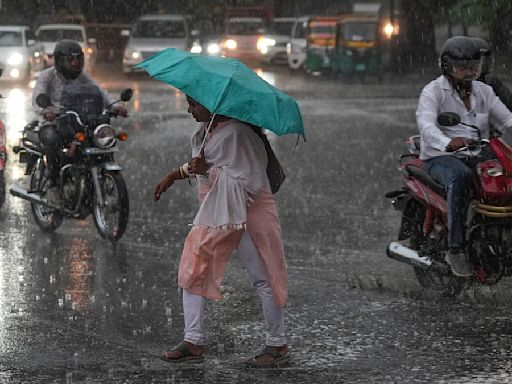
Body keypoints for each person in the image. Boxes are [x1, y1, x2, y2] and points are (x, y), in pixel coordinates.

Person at [154, 95, 289, 367]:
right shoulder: (207, 129)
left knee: (264, 277)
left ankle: (277, 345)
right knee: (193, 268)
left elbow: (248, 180)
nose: (190, 110)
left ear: (212, 104)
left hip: (250, 213)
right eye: (189, 104)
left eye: (194, 104)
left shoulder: (239, 133)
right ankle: (192, 341)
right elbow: (201, 164)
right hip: (216, 212)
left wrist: (209, 170)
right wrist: (175, 175)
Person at [416, 35, 512, 277]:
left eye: (474, 67)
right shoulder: (433, 92)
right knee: (461, 179)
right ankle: (455, 248)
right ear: (448, 66)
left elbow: (507, 119)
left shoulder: (485, 91)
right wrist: (448, 142)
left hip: (479, 151)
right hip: (441, 156)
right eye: (463, 67)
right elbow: (426, 126)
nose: (470, 72)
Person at [32, 39, 127, 198]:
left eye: (78, 58)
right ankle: (54, 183)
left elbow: (99, 92)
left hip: (75, 121)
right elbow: (37, 100)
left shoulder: (82, 76)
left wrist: (114, 106)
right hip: (53, 122)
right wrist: (45, 111)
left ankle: (95, 176)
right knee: (53, 141)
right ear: (60, 60)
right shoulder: (46, 76)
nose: (75, 63)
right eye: (71, 59)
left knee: (100, 140)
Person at [472, 37, 512, 110]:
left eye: (487, 60)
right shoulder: (454, 85)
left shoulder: (491, 81)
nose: (484, 64)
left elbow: (509, 103)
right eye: (481, 60)